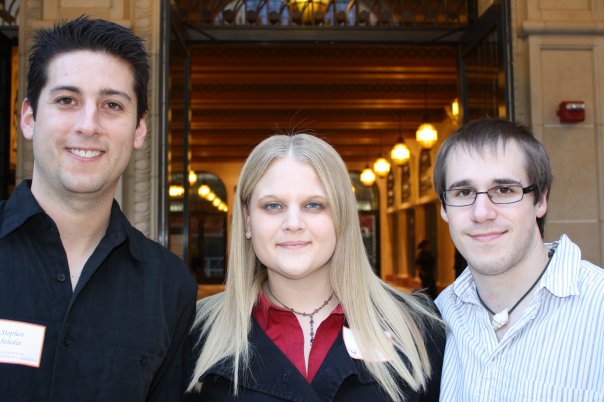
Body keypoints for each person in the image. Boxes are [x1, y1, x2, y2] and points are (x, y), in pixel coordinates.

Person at [0, 17, 197, 401]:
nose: (89, 125)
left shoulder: (170, 288)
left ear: (139, 129)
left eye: (112, 105)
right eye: (66, 101)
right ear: (28, 117)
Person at [185, 133, 445, 401]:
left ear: (341, 216)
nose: (293, 223)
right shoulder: (195, 331)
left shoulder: (416, 327)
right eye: (273, 206)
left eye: (314, 205)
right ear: (248, 220)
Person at [433, 118, 604, 401]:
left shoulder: (597, 309)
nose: (481, 212)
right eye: (463, 192)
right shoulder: (438, 320)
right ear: (444, 209)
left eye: (504, 190)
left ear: (540, 200)